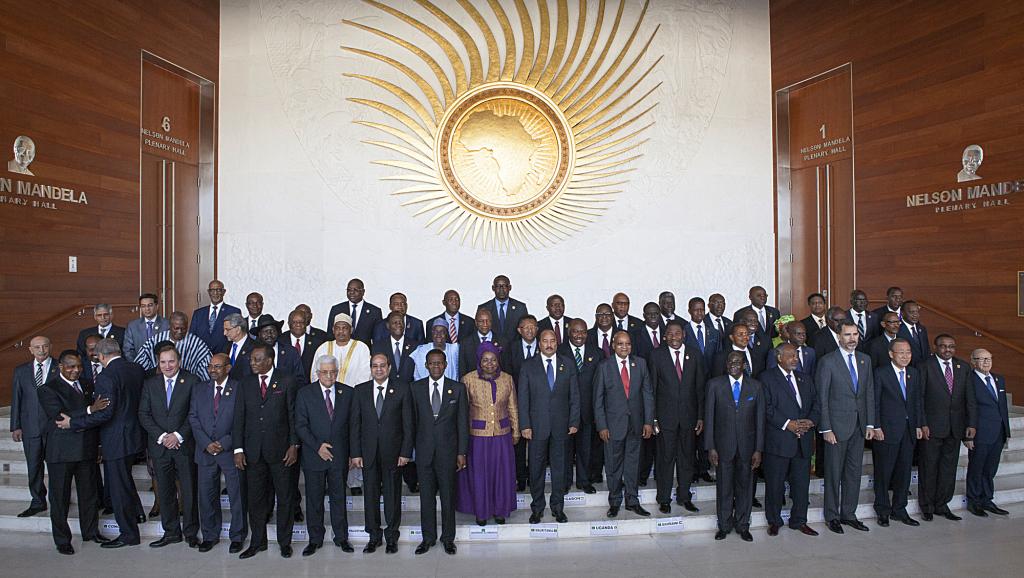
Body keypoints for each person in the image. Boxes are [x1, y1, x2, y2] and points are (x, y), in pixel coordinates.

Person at [62, 338, 146, 548]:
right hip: (135, 436)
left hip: (116, 440)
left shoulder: (106, 376)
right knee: (125, 483)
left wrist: (74, 422)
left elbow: (105, 413)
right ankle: (137, 517)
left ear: (100, 356)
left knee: (118, 489)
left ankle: (129, 534)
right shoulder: (136, 368)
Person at [37, 350, 111, 555]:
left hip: (86, 449)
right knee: (59, 498)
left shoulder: (87, 384)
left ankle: (90, 532)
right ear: (60, 366)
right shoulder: (48, 389)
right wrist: (89, 410)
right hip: (61, 453)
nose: (76, 370)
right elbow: (61, 418)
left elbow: (93, 421)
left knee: (89, 496)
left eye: (78, 366)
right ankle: (62, 540)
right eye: (70, 366)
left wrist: (97, 445)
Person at [232, 344, 299, 559]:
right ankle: (257, 542)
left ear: (269, 360)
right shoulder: (245, 383)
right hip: (253, 452)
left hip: (281, 452)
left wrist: (294, 445)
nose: (252, 363)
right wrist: (238, 449)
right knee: (256, 499)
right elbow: (239, 418)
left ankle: (284, 542)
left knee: (285, 498)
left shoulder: (287, 380)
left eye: (256, 359)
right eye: (251, 359)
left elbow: (293, 416)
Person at [816, 320, 878, 534]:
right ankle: (832, 515)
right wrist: (826, 428)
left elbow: (868, 392)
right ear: (839, 337)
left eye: (855, 334)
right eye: (848, 335)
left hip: (859, 427)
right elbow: (822, 398)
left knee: (853, 474)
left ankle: (849, 514)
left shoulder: (865, 360)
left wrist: (870, 423)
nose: (852, 339)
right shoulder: (827, 362)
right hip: (836, 428)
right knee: (833, 474)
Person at [138, 345, 200, 547]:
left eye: (171, 361)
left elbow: (195, 413)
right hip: (160, 447)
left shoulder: (192, 381)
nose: (167, 365)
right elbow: (143, 414)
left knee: (189, 491)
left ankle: (191, 532)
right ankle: (171, 532)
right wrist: (163, 436)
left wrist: (178, 436)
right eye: (163, 362)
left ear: (179, 361)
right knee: (164, 492)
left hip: (184, 446)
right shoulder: (150, 384)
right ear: (158, 363)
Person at [294, 356, 357, 557]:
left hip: (339, 456)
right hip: (314, 456)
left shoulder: (347, 393)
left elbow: (353, 426)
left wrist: (353, 453)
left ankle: (341, 538)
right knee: (314, 500)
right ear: (317, 373)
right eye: (325, 372)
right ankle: (315, 539)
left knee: (339, 498)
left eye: (332, 372)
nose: (329, 375)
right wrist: (317, 446)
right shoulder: (305, 393)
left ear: (337, 372)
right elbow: (300, 425)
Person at [352, 354, 413, 554]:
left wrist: (405, 452)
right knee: (370, 496)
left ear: (389, 368)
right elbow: (355, 425)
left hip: (393, 454)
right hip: (368, 454)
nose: (378, 369)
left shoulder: (403, 389)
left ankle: (391, 537)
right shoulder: (360, 391)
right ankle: (374, 537)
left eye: (382, 366)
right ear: (370, 368)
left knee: (392, 496)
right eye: (374, 366)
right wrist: (356, 453)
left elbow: (408, 425)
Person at [518, 329, 580, 524]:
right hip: (536, 427)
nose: (549, 344)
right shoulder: (528, 366)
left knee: (560, 468)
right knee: (535, 469)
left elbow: (575, 396)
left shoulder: (567, 364)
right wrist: (525, 424)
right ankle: (537, 508)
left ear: (557, 342)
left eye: (552, 340)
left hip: (562, 426)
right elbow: (523, 398)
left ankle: (558, 508)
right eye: (545, 341)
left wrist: (574, 421)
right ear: (539, 343)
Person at [187, 353, 246, 554]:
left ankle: (237, 536)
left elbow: (242, 420)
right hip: (205, 451)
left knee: (236, 495)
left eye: (218, 366)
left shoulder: (239, 388)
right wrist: (206, 443)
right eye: (210, 366)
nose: (212, 370)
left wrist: (224, 442)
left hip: (229, 451)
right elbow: (193, 418)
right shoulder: (199, 388)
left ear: (228, 368)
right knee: (206, 496)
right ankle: (210, 535)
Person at [410, 350, 468, 555]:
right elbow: (411, 423)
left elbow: (462, 423)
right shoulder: (415, 389)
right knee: (426, 498)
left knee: (448, 497)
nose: (436, 367)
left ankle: (448, 538)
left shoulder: (457, 389)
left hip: (448, 453)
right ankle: (428, 538)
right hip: (424, 452)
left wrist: (462, 452)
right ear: (426, 365)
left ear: (445, 365)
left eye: (439, 363)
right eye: (432, 363)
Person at [456, 342, 519, 525]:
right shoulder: (468, 379)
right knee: (480, 475)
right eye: (485, 360)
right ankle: (481, 512)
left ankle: (500, 510)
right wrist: (462, 438)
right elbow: (463, 411)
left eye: (493, 360)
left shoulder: (507, 379)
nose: (489, 364)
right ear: (479, 360)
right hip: (477, 436)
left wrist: (516, 431)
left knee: (501, 473)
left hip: (502, 434)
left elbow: (512, 406)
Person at [706, 351, 764, 542]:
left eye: (737, 362)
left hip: (748, 448)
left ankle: (743, 525)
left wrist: (758, 449)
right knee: (724, 487)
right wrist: (711, 447)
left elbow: (760, 420)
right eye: (730, 361)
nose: (733, 364)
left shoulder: (755, 387)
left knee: (745, 488)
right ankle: (724, 525)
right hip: (723, 447)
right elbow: (709, 418)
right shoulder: (715, 385)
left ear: (744, 364)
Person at [595, 331, 654, 518]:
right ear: (613, 345)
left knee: (633, 465)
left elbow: (647, 394)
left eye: (627, 344)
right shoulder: (604, 366)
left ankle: (632, 500)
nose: (624, 347)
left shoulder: (641, 364)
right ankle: (614, 502)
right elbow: (598, 400)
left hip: (636, 424)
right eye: (620, 344)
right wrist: (601, 426)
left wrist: (648, 421)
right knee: (613, 465)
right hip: (612, 426)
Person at [762, 344, 819, 536]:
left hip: (802, 440)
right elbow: (767, 408)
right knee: (775, 484)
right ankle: (774, 521)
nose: (795, 359)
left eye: (796, 356)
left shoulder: (805, 378)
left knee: (801, 485)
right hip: (779, 441)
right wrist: (788, 424)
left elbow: (816, 403)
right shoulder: (767, 378)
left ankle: (799, 521)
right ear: (779, 358)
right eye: (790, 356)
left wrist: (809, 422)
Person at [918, 334, 976, 521]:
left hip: (955, 427)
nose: (947, 350)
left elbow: (970, 399)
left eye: (951, 346)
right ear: (935, 347)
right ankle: (927, 506)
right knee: (929, 467)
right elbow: (918, 399)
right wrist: (922, 423)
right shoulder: (925, 366)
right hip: (932, 428)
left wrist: (971, 424)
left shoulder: (963, 367)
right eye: (943, 346)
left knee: (948, 468)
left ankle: (942, 505)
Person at [649, 320, 705, 513]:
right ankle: (664, 498)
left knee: (687, 459)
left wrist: (700, 416)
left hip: (689, 418)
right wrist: (653, 418)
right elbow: (652, 390)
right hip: (665, 419)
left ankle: (684, 496)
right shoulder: (656, 356)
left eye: (677, 333)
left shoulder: (695, 354)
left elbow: (699, 388)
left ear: (684, 335)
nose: (674, 337)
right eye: (670, 334)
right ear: (665, 336)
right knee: (665, 459)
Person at [871, 338, 923, 527]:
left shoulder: (914, 374)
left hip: (908, 431)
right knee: (884, 473)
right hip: (886, 431)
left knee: (904, 473)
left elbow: (917, 401)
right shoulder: (881, 373)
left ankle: (900, 509)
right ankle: (883, 510)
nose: (905, 356)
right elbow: (874, 402)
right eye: (901, 352)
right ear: (891, 354)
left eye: (908, 352)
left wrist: (918, 425)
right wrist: (875, 426)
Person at [10, 335, 58, 518]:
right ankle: (38, 501)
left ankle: (58, 500)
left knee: (56, 467)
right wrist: (15, 426)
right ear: (30, 349)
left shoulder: (59, 367)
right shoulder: (21, 371)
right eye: (37, 347)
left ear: (50, 347)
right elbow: (17, 399)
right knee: (34, 466)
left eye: (45, 346)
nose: (41, 350)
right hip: (30, 427)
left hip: (54, 427)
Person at [965, 349, 1010, 517]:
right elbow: (966, 408)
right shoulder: (969, 379)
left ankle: (987, 499)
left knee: (990, 469)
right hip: (979, 432)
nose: (986, 362)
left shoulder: (999, 379)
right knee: (977, 468)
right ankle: (974, 501)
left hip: (998, 432)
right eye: (981, 359)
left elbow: (1003, 408)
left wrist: (1006, 431)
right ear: (973, 361)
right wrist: (968, 435)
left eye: (988, 358)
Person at [559, 318, 602, 493]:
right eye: (576, 331)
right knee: (565, 449)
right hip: (564, 410)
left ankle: (584, 481)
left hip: (587, 410)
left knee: (585, 448)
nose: (579, 335)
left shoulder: (596, 352)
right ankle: (565, 481)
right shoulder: (559, 351)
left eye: (583, 332)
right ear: (569, 332)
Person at [502, 314, 538, 492]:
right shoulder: (511, 349)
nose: (530, 330)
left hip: (540, 404)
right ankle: (520, 478)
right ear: (519, 330)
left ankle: (534, 478)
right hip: (516, 402)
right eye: (526, 327)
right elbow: (507, 376)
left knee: (537, 444)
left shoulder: (546, 346)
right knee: (518, 443)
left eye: (533, 327)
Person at [134, 311, 213, 380]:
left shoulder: (197, 344)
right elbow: (139, 365)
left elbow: (207, 368)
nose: (180, 331)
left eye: (183, 328)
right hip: (158, 384)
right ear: (170, 326)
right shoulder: (155, 339)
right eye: (176, 328)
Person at [309, 313, 371, 385]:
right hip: (328, 394)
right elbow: (315, 373)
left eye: (344, 328)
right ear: (333, 330)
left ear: (351, 330)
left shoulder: (361, 348)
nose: (341, 331)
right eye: (337, 328)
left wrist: (355, 392)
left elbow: (366, 374)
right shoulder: (323, 348)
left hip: (355, 393)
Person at [189, 280, 241, 354]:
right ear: (209, 292)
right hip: (201, 357)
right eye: (212, 290)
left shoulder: (233, 311)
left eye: (218, 290)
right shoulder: (198, 313)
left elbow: (237, 337)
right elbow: (192, 338)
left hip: (224, 357)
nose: (215, 293)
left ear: (224, 292)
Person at [328, 278, 383, 346]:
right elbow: (330, 335)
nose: (352, 292)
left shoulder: (374, 312)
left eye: (355, 290)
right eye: (349, 290)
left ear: (363, 292)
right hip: (340, 352)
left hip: (364, 352)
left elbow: (377, 339)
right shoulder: (336, 309)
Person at [251, 314, 304, 381]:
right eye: (265, 332)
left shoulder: (290, 352)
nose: (269, 334)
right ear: (259, 334)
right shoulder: (252, 353)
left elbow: (300, 379)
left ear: (277, 332)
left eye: (272, 331)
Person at [478, 275, 529, 343]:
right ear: (493, 288)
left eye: (504, 286)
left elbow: (525, 330)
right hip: (491, 349)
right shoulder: (484, 308)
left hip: (514, 349)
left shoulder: (520, 307)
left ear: (510, 287)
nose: (501, 289)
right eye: (498, 286)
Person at [279, 309, 326, 381]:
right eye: (295, 322)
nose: (298, 325)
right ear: (289, 324)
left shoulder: (317, 343)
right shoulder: (280, 340)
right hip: (284, 387)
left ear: (306, 323)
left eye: (301, 322)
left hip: (309, 388)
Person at [371, 311, 418, 383]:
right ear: (388, 325)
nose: (398, 325)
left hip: (410, 390)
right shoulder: (378, 346)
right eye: (394, 323)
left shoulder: (415, 346)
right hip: (388, 390)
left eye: (401, 322)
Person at [458, 307, 505, 377]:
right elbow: (462, 369)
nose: (485, 324)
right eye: (481, 321)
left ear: (491, 322)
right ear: (476, 323)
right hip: (473, 384)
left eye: (488, 321)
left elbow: (506, 368)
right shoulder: (465, 343)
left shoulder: (503, 341)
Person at [123, 293, 168, 361]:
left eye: (150, 305)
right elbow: (128, 350)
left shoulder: (166, 324)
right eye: (143, 306)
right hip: (139, 366)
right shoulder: (132, 326)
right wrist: (137, 364)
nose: (147, 309)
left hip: (162, 366)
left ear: (157, 306)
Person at [683, 296, 720, 370]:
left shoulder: (714, 332)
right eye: (696, 310)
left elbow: (718, 356)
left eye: (702, 310)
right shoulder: (683, 331)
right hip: (691, 375)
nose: (699, 313)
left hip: (711, 375)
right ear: (689, 311)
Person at [222, 313, 258, 379]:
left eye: (227, 329)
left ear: (238, 329)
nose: (224, 333)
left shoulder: (255, 348)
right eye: (224, 330)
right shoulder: (225, 347)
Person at [896, 301, 930, 366]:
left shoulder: (922, 328)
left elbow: (927, 350)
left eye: (917, 312)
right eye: (911, 312)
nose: (915, 315)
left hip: (923, 367)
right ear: (902, 313)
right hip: (907, 368)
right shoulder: (897, 329)